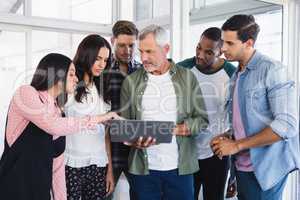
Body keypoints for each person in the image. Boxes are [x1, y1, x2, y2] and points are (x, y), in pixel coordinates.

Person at [0, 53, 119, 200]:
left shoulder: (59, 114)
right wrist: (101, 118)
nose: (76, 79)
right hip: (12, 189)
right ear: (57, 73)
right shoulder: (26, 93)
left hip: (40, 193)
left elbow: (57, 169)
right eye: (71, 74)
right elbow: (52, 125)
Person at [210, 14, 300, 200]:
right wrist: (229, 136)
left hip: (266, 169)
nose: (223, 48)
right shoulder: (237, 74)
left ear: (248, 43)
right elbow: (247, 121)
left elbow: (287, 125)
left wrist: (236, 145)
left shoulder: (272, 70)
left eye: (230, 43)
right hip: (242, 167)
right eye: (222, 41)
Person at [120, 24, 208, 200]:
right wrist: (133, 141)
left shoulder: (187, 77)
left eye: (150, 51)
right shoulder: (131, 82)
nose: (143, 57)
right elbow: (123, 128)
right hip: (143, 172)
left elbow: (202, 121)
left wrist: (170, 130)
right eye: (141, 51)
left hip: (180, 171)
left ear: (166, 49)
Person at [178, 27, 236, 200]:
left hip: (217, 153)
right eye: (198, 48)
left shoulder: (233, 75)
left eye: (209, 52)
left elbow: (238, 118)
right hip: (187, 152)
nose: (200, 55)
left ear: (222, 52)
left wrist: (233, 173)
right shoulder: (182, 69)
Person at [64, 34, 115, 200]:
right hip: (71, 164)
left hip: (99, 163)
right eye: (98, 58)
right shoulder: (69, 85)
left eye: (106, 60)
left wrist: (109, 170)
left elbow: (105, 133)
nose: (102, 64)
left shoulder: (102, 87)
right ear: (87, 55)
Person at [107, 20, 141, 200]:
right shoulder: (102, 70)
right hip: (108, 147)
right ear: (112, 40)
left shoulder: (143, 71)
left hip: (136, 147)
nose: (127, 50)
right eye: (121, 45)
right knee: (105, 194)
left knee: (140, 195)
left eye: (131, 45)